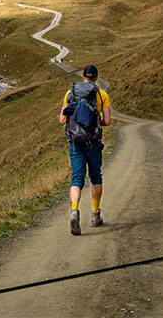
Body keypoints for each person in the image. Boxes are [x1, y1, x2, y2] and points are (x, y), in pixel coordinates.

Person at [60, 64, 111, 236]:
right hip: (93, 142)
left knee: (77, 179)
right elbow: (108, 121)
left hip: (75, 142)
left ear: (83, 76)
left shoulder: (70, 93)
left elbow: (62, 119)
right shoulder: (101, 94)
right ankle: (95, 215)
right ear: (96, 78)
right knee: (95, 176)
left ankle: (74, 209)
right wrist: (97, 121)